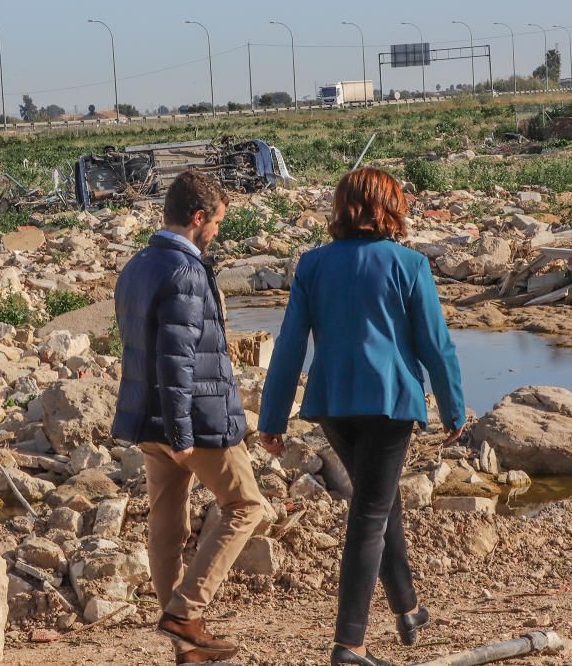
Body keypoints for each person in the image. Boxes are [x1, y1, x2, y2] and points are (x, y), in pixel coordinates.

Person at [257, 168, 466, 666]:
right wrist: (453, 407)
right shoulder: (409, 264)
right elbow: (436, 346)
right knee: (370, 512)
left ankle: (407, 607)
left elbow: (289, 346)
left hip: (331, 402)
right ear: (387, 208)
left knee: (379, 498)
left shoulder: (312, 264)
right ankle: (349, 644)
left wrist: (273, 416)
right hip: (389, 402)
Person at [113, 171, 266, 665]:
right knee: (246, 505)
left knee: (168, 524)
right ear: (198, 218)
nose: (217, 232)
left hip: (149, 419)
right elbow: (176, 359)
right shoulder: (185, 272)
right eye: (216, 222)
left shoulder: (137, 265)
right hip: (193, 420)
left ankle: (184, 643)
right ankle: (185, 611)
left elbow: (142, 351)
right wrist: (182, 429)